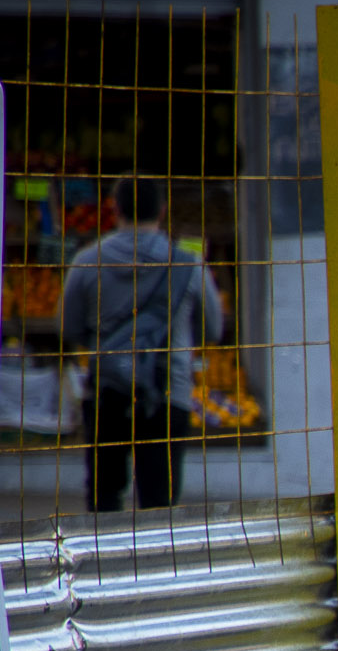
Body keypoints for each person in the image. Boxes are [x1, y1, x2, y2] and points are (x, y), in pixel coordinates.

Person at [58, 178, 223, 514]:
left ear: (115, 209)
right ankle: (156, 563)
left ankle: (105, 563)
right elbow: (213, 328)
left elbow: (68, 327)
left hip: (107, 394)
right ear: (162, 211)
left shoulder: (88, 261)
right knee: (159, 503)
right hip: (167, 395)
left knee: (104, 499)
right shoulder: (188, 265)